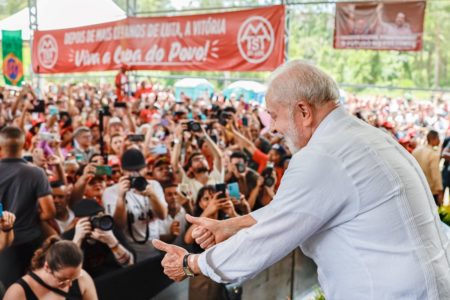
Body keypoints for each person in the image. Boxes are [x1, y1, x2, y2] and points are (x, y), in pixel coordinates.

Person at [152, 60, 450, 299]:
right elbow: (292, 209)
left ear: (304, 111)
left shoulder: (323, 157)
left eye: (275, 117)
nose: (273, 130)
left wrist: (190, 263)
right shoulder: (366, 137)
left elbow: (264, 243)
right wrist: (232, 224)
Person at [0, 126, 56, 288]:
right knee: (39, 288)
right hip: (32, 240)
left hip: (4, 245)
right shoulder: (36, 173)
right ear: (25, 144)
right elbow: (49, 212)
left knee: (11, 291)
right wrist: (35, 216)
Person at [103, 148, 167, 262]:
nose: (134, 174)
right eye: (130, 170)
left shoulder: (154, 185)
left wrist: (152, 196)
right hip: (130, 253)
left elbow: (163, 215)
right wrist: (121, 197)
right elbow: (118, 225)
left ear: (146, 168)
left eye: (138, 170)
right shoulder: (111, 192)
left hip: (155, 250)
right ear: (122, 170)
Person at [3, 236, 97, 300]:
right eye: (63, 279)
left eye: (74, 278)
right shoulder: (18, 292)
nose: (70, 284)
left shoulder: (83, 278)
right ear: (47, 267)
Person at [61, 199, 135, 278]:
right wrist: (77, 240)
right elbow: (66, 274)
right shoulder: (68, 238)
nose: (97, 223)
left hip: (117, 278)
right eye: (92, 219)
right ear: (77, 221)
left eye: (100, 217)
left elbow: (130, 264)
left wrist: (112, 242)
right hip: (88, 284)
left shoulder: (109, 229)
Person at [412, 130, 443, 206]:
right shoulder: (433, 154)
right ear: (434, 139)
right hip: (430, 189)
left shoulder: (416, 150)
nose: (439, 141)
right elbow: (435, 174)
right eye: (438, 138)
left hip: (417, 187)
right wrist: (439, 190)